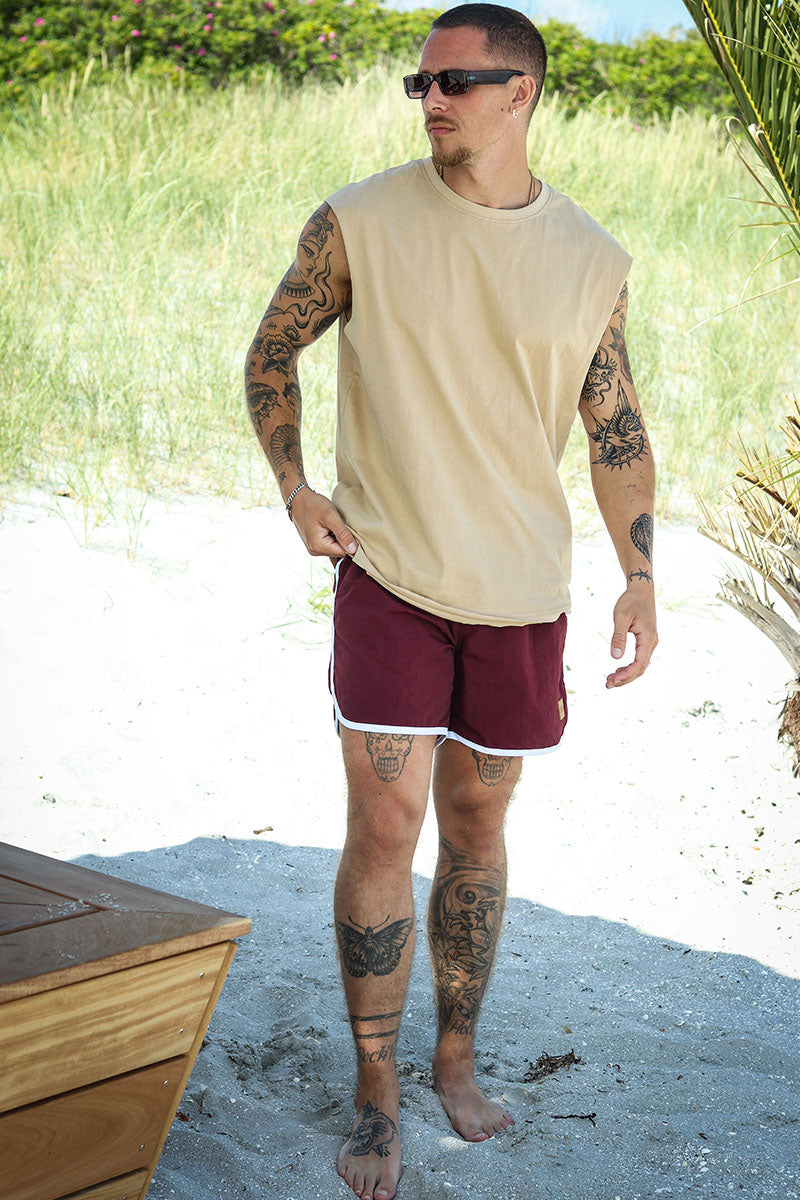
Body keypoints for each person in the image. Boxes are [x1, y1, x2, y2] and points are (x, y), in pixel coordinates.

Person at [245, 6, 657, 1198]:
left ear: (518, 91)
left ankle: (454, 1060)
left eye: (453, 81)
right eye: (417, 82)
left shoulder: (589, 257)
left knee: (476, 827)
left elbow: (615, 429)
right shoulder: (359, 221)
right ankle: (375, 1088)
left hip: (520, 592)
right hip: (390, 577)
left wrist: (638, 574)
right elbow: (270, 354)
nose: (428, 100)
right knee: (385, 825)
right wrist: (294, 486)